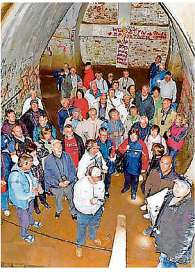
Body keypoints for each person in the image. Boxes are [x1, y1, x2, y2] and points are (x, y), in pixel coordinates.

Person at [154, 178, 194, 268]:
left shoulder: (189, 208)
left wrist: (174, 256)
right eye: (176, 184)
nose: (177, 188)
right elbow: (161, 216)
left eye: (182, 186)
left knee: (166, 265)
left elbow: (186, 238)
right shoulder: (170, 196)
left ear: (188, 191)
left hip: (171, 250)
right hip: (164, 242)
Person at [8, 154, 42, 243]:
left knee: (30, 211)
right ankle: (24, 234)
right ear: (24, 164)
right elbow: (20, 195)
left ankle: (31, 222)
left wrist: (36, 185)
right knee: (24, 219)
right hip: (21, 202)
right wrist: (32, 193)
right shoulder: (15, 176)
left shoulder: (26, 169)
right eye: (30, 163)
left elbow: (31, 178)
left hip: (29, 198)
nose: (32, 165)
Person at [73, 166, 105, 257]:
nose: (96, 180)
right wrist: (89, 202)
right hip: (83, 212)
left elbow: (101, 196)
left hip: (96, 211)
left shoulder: (100, 183)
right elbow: (76, 202)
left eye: (98, 178)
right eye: (94, 178)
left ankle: (93, 237)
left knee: (94, 225)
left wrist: (99, 204)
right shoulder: (80, 185)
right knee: (81, 228)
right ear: (88, 175)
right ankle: (79, 244)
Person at [44, 140, 77, 219]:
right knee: (58, 199)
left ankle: (73, 212)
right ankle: (58, 210)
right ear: (52, 149)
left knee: (71, 198)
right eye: (57, 147)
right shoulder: (48, 160)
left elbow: (73, 169)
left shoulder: (67, 156)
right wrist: (58, 183)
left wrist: (69, 180)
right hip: (57, 186)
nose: (59, 149)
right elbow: (47, 176)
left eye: (60, 146)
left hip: (68, 183)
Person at [118, 128, 149, 199]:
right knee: (127, 179)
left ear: (138, 136)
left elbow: (145, 157)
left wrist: (144, 168)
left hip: (136, 168)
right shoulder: (127, 141)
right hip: (127, 166)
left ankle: (133, 192)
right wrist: (125, 148)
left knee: (135, 181)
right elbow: (120, 149)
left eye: (134, 135)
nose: (132, 137)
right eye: (131, 135)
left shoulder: (142, 144)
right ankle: (126, 187)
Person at [25, 143, 50, 214]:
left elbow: (46, 152)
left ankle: (43, 201)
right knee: (35, 195)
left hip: (41, 177)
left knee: (42, 192)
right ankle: (36, 207)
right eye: (32, 152)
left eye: (35, 151)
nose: (34, 153)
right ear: (27, 152)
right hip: (33, 181)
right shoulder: (27, 160)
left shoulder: (38, 155)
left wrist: (40, 146)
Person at [96, 128, 116, 197]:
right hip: (100, 165)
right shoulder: (96, 144)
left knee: (108, 179)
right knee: (99, 179)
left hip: (108, 163)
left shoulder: (110, 141)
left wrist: (112, 153)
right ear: (99, 135)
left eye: (106, 135)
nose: (104, 137)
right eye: (102, 135)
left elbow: (113, 149)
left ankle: (106, 190)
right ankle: (99, 193)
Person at [1, 134, 13, 217]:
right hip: (1, 179)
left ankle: (10, 200)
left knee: (9, 190)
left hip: (7, 175)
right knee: (3, 194)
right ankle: (5, 208)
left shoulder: (5, 155)